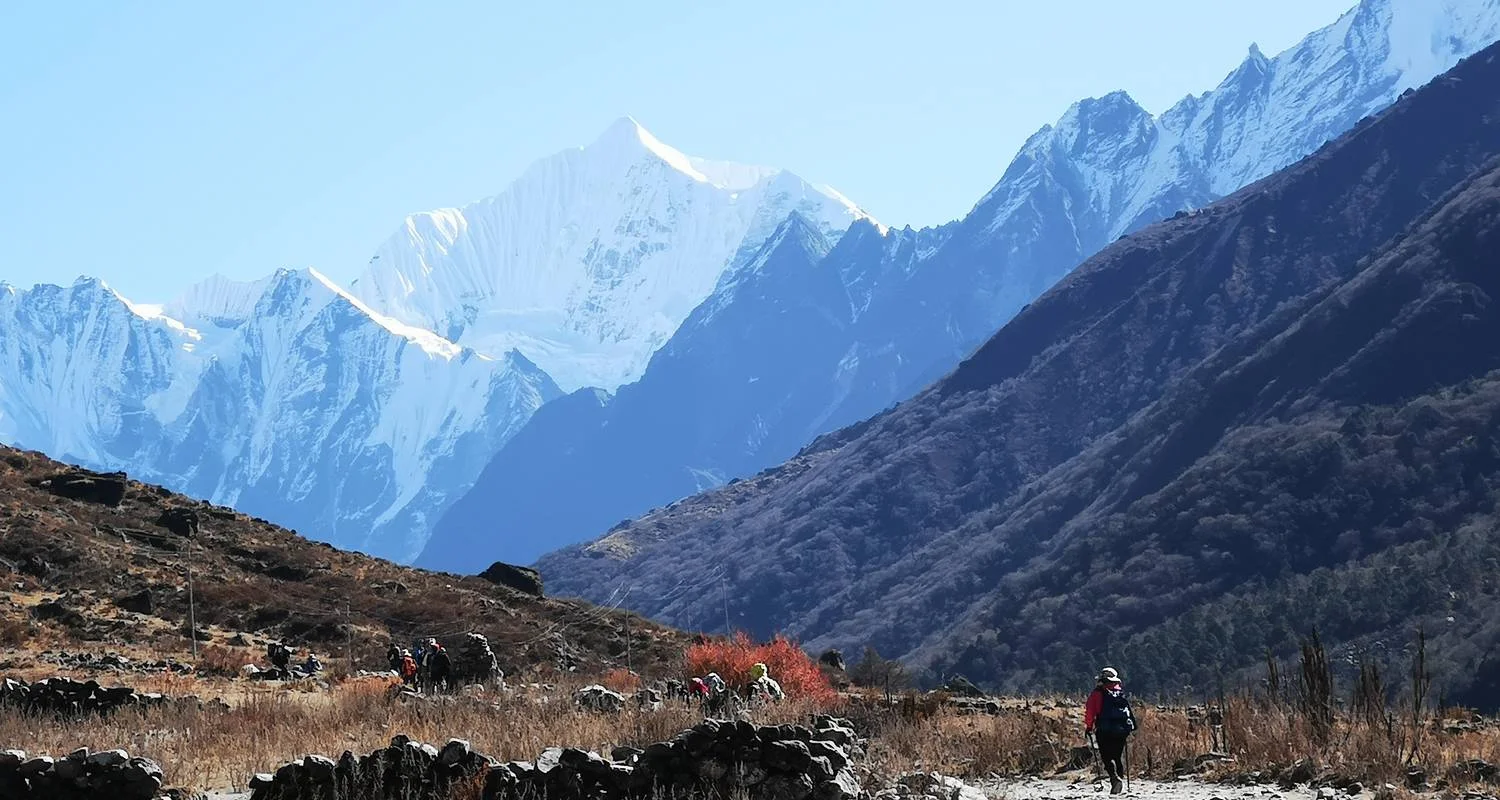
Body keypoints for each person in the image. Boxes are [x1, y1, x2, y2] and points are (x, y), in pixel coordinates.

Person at [1085, 667, 1137, 795]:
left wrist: (1089, 727)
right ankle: (1119, 783)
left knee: (1107, 756)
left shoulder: (1098, 693)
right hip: (1122, 729)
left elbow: (1091, 711)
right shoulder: (1119, 692)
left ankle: (1114, 779)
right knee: (1117, 756)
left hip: (1104, 728)